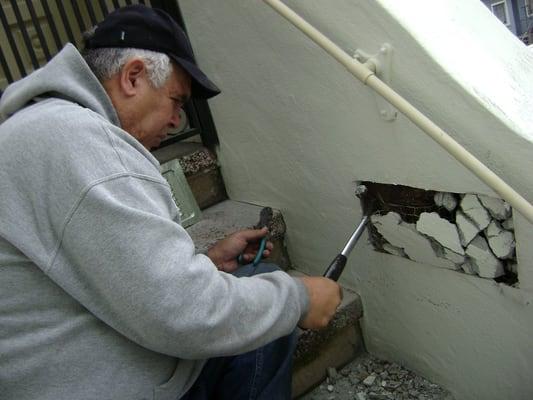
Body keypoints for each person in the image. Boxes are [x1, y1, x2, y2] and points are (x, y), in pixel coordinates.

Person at [0, 5, 342, 400]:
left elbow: (106, 269)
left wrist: (204, 263)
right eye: (177, 101)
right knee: (268, 318)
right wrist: (300, 299)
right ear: (133, 77)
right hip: (91, 380)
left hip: (69, 357)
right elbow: (186, 314)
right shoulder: (82, 144)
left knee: (252, 283)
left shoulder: (44, 128)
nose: (178, 121)